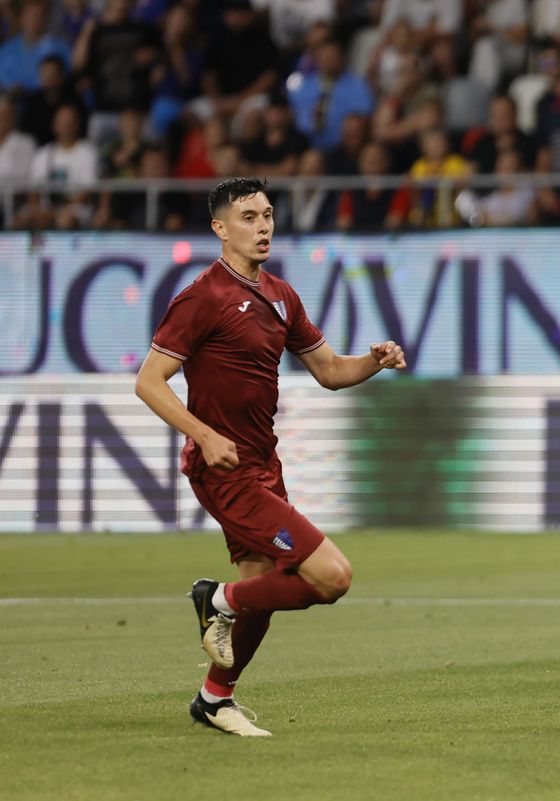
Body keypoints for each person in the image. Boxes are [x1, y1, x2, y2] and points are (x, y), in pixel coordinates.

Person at [134, 178, 406, 737]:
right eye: (249, 217)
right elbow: (149, 382)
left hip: (264, 464)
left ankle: (214, 699)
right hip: (225, 470)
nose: (262, 227)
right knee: (331, 576)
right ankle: (217, 598)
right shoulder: (201, 297)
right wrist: (204, 435)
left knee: (262, 585)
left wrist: (374, 360)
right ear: (220, 228)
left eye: (267, 216)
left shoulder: (282, 295)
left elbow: (330, 370)